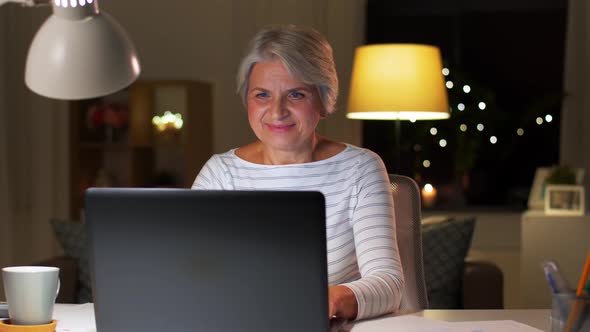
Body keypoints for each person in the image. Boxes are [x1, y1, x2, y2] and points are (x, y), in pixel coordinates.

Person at [192, 24, 404, 321]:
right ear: (247, 100)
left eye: (295, 95)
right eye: (262, 95)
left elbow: (388, 284)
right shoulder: (221, 173)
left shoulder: (360, 168)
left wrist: (325, 301)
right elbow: (191, 273)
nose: (277, 111)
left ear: (324, 99)